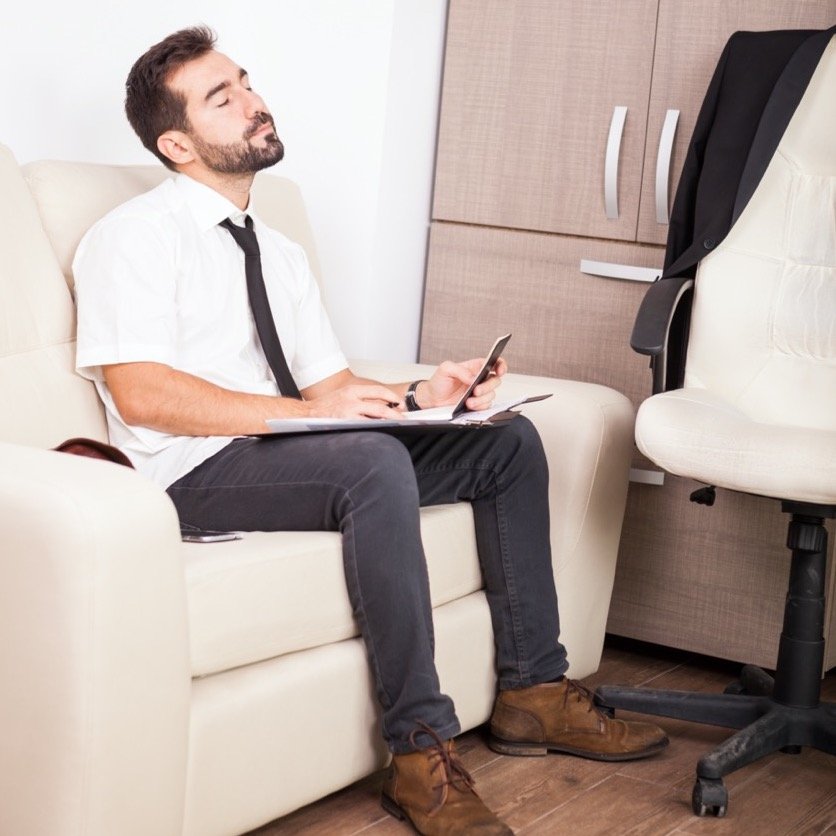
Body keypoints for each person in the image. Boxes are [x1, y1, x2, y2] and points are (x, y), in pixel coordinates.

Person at [73, 27, 668, 835]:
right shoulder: (134, 237)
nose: (253, 102)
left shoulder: (278, 251)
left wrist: (425, 393)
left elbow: (331, 390)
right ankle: (420, 752)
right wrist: (311, 418)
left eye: (246, 82)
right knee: (369, 465)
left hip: (283, 448)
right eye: (222, 98)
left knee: (504, 443)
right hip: (189, 473)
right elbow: (142, 396)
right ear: (176, 144)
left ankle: (533, 691)